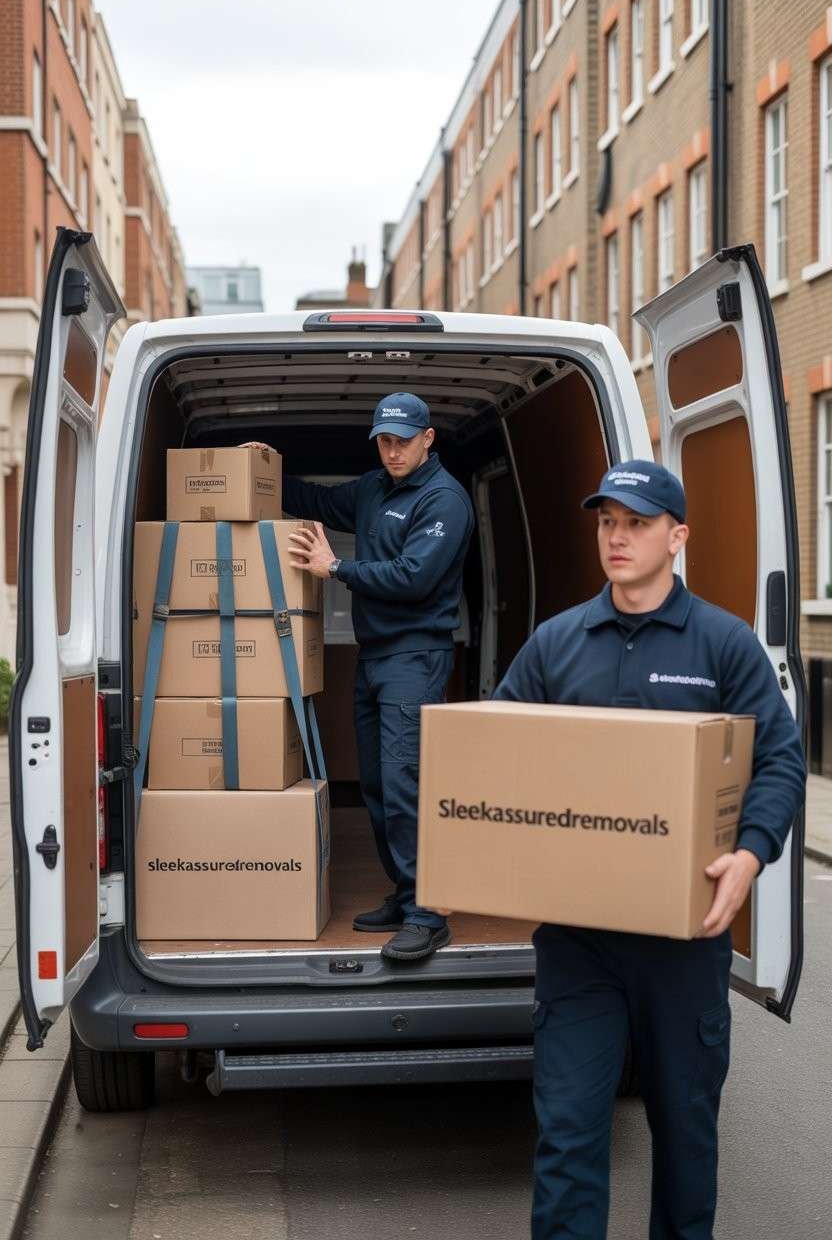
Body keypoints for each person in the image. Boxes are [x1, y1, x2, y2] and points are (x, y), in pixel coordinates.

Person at [493, 459, 806, 1239]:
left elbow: (779, 757)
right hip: (579, 943)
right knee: (567, 1136)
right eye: (607, 522)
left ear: (678, 536)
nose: (618, 537)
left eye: (635, 522)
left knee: (686, 1139)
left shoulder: (723, 645)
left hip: (685, 938)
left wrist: (752, 853)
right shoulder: (557, 644)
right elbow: (496, 745)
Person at [279, 392, 474, 962]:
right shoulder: (372, 488)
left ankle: (429, 913)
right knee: (375, 784)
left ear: (428, 438)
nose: (392, 451)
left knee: (404, 783)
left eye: (403, 440)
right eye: (384, 441)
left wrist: (335, 567)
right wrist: (261, 467)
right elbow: (313, 499)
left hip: (417, 657)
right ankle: (405, 890)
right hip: (376, 656)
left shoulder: (446, 500)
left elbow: (413, 577)